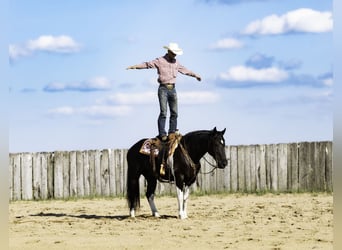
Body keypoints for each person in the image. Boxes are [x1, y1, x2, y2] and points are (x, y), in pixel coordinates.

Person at [126, 42, 202, 141]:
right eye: (173, 53)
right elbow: (147, 64)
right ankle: (162, 133)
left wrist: (195, 75)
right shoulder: (160, 60)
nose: (175, 55)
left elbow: (185, 70)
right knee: (164, 112)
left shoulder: (176, 62)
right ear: (168, 51)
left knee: (174, 112)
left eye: (176, 53)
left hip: (173, 89)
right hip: (163, 89)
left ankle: (172, 132)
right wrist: (135, 66)